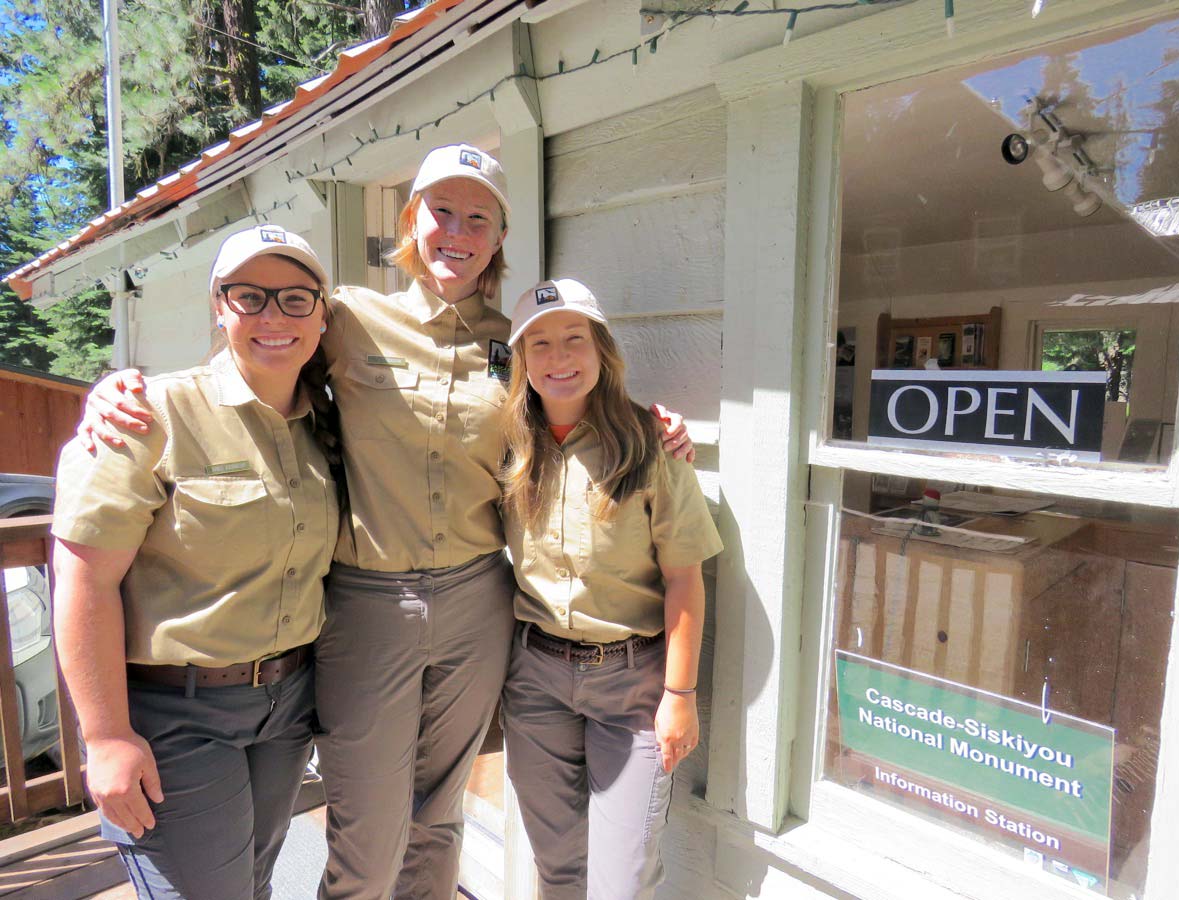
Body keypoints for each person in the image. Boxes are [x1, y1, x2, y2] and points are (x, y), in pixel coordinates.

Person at [76, 144, 694, 900]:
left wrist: (655, 424)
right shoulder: (347, 320)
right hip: (368, 604)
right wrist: (117, 389)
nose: (457, 232)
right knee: (368, 834)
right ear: (411, 222)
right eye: (442, 211)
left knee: (438, 816)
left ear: (500, 237)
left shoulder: (519, 343)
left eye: (478, 218)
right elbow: (257, 355)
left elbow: (578, 404)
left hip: (477, 600)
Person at [52, 225, 339, 900]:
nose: (274, 316)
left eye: (296, 298)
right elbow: (84, 578)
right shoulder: (149, 415)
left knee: (254, 884)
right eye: (250, 296)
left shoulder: (325, 425)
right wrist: (106, 736)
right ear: (219, 306)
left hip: (286, 707)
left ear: (322, 316)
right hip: (176, 715)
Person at [499, 278, 723, 899]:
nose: (559, 357)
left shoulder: (650, 445)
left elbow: (684, 578)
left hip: (632, 684)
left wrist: (680, 694)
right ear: (522, 361)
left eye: (575, 338)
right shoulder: (507, 447)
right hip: (536, 681)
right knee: (558, 868)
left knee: (620, 882)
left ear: (601, 349)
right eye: (539, 344)